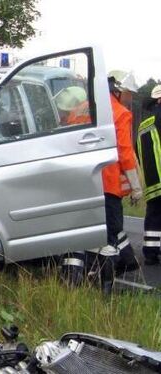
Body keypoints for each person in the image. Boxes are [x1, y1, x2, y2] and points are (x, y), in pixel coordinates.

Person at [99, 73, 143, 277]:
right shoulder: (120, 113)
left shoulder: (85, 107)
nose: (130, 98)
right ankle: (108, 278)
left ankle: (127, 260)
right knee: (113, 227)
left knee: (103, 228)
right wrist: (136, 187)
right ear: (118, 90)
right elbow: (124, 152)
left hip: (85, 182)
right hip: (108, 183)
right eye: (129, 93)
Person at [137, 84, 161, 265]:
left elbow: (138, 153)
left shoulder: (143, 124)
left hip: (152, 181)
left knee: (153, 214)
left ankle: (151, 253)